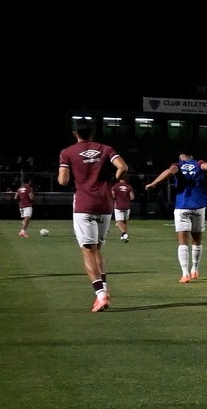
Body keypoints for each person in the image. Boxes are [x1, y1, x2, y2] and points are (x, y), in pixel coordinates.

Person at [58, 118, 130, 312]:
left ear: (75, 133)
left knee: (88, 250)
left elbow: (63, 181)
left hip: (84, 204)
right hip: (105, 204)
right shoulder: (106, 149)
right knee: (97, 248)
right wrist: (112, 180)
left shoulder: (67, 152)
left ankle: (100, 295)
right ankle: (104, 289)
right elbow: (123, 167)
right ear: (93, 133)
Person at [145, 150, 207, 282]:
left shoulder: (178, 165)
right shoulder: (199, 164)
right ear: (192, 156)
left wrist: (153, 183)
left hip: (182, 206)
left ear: (180, 156)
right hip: (199, 205)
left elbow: (170, 171)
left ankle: (185, 274)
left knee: (183, 242)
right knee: (197, 241)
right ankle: (195, 269)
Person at [111, 176, 135, 242]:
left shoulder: (115, 186)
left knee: (119, 221)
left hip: (118, 205)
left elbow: (113, 195)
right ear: (125, 179)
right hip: (126, 206)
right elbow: (132, 197)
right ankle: (123, 236)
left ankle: (124, 234)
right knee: (124, 221)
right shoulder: (129, 187)